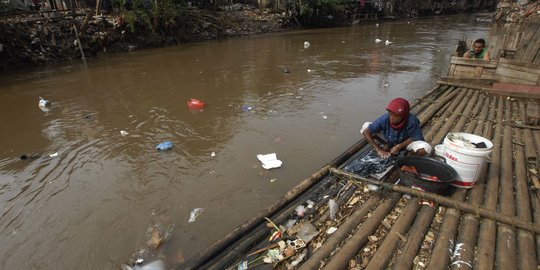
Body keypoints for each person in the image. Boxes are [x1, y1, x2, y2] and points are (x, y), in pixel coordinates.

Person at [361, 98, 432, 159]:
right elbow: (366, 132)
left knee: (426, 148)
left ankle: (408, 156)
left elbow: (414, 136)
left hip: (405, 143)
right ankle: (387, 145)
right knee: (366, 125)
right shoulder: (385, 118)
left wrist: (399, 146)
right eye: (390, 114)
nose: (392, 118)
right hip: (389, 139)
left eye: (396, 116)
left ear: (403, 116)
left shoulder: (412, 120)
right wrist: (378, 149)